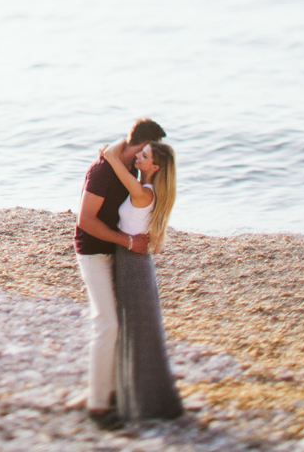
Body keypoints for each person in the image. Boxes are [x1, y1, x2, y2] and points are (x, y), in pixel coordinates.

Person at [72, 117, 167, 430]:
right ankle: (99, 406)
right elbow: (85, 220)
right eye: (148, 152)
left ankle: (110, 391)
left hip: (118, 253)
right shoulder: (101, 171)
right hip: (94, 253)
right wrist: (127, 240)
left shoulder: (127, 170)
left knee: (121, 323)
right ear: (141, 146)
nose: (148, 159)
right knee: (107, 323)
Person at [100, 138, 184, 422]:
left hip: (133, 263)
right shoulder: (146, 190)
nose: (138, 157)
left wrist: (121, 145)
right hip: (134, 261)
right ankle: (137, 398)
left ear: (155, 167)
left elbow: (111, 157)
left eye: (144, 155)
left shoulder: (143, 193)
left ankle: (147, 404)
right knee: (137, 329)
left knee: (138, 331)